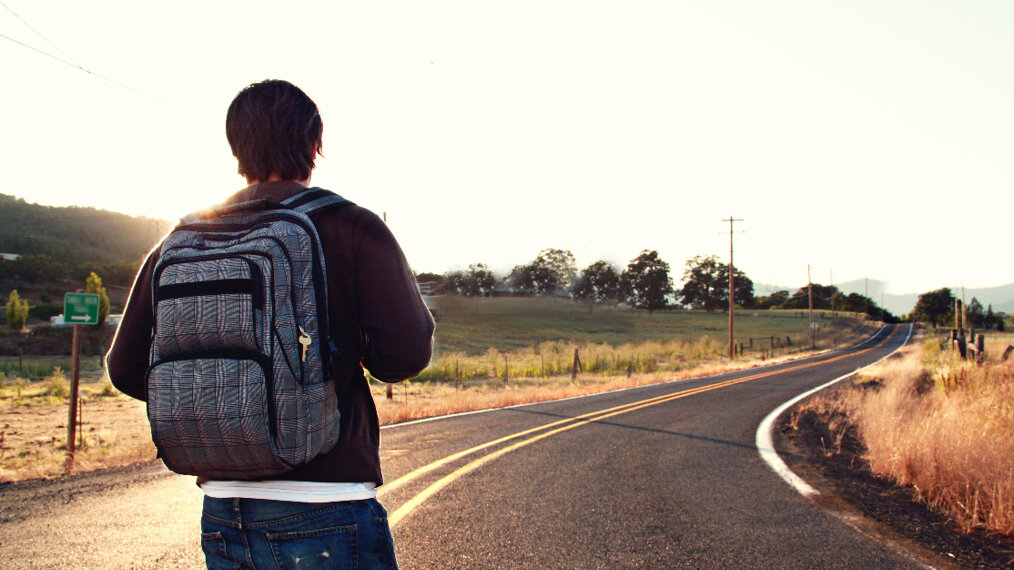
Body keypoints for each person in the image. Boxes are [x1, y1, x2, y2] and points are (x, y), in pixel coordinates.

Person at [107, 79, 435, 569]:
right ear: (314, 145)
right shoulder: (351, 225)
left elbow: (126, 367)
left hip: (222, 510)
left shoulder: (186, 236)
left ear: (236, 148)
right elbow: (406, 355)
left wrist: (224, 408)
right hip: (328, 502)